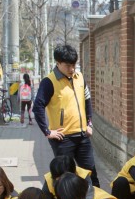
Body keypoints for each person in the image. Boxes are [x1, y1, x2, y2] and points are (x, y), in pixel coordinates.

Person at [32, 44, 98, 187]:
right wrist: (47, 132)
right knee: (64, 178)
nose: (72, 69)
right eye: (68, 65)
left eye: (74, 65)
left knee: (91, 174)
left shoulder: (79, 77)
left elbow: (87, 99)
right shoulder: (49, 82)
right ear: (58, 63)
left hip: (82, 136)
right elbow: (37, 107)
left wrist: (89, 123)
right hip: (63, 139)